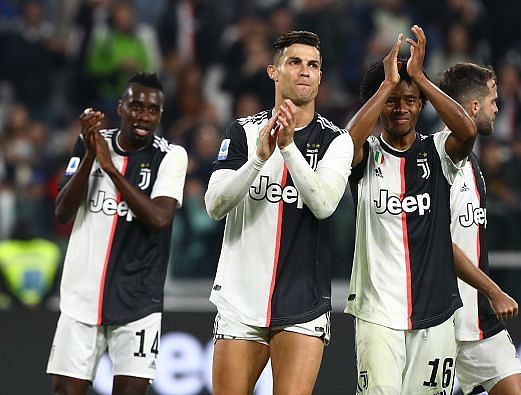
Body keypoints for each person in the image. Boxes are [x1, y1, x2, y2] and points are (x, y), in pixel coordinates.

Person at [204, 31, 353, 394]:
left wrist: (287, 149)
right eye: (295, 62)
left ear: (320, 77)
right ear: (273, 71)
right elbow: (215, 205)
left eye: (313, 65)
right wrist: (258, 158)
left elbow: (323, 205)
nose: (305, 71)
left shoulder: (337, 141)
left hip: (303, 303)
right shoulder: (242, 132)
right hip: (240, 298)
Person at [345, 26, 477, 394]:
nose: (400, 107)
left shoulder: (438, 151)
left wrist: (419, 77)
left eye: (410, 99)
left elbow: (467, 131)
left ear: (421, 104)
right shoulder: (366, 155)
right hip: (377, 313)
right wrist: (386, 84)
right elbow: (343, 145)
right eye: (392, 100)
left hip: (435, 314)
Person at [46, 72, 188, 395]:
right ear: (121, 107)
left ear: (160, 115)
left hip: (138, 303)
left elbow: (160, 218)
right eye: (136, 106)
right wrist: (89, 160)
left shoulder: (171, 156)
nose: (144, 116)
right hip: (82, 297)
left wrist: (110, 168)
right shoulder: (89, 142)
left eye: (152, 110)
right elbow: (63, 212)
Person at [439, 62, 521, 394]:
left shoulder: (473, 163)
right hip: (439, 321)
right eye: (493, 100)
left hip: (480, 322)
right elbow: (441, 244)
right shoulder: (434, 161)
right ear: (473, 106)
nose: (497, 108)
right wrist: (494, 290)